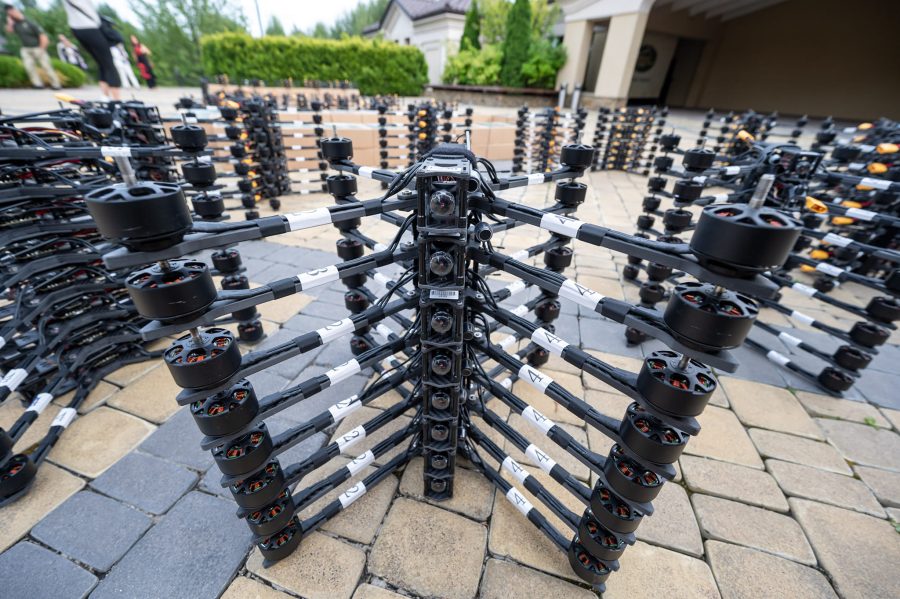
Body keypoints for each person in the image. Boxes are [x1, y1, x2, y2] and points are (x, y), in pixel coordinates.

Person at [62, 0, 120, 100]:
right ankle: (117, 100)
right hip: (89, 27)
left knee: (102, 63)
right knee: (108, 63)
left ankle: (105, 97)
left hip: (77, 28)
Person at [4, 4, 61, 89]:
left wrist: (42, 49)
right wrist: (9, 23)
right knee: (29, 67)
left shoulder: (30, 22)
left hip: (38, 48)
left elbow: (43, 37)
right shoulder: (15, 24)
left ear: (16, 11)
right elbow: (9, 31)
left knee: (46, 66)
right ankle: (38, 84)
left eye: (11, 13)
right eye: (8, 14)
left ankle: (56, 84)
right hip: (25, 49)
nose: (10, 15)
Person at [100, 17, 138, 89]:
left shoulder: (118, 43)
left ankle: (135, 85)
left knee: (129, 72)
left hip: (123, 57)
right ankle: (126, 85)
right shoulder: (109, 36)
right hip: (116, 56)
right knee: (121, 72)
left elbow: (123, 49)